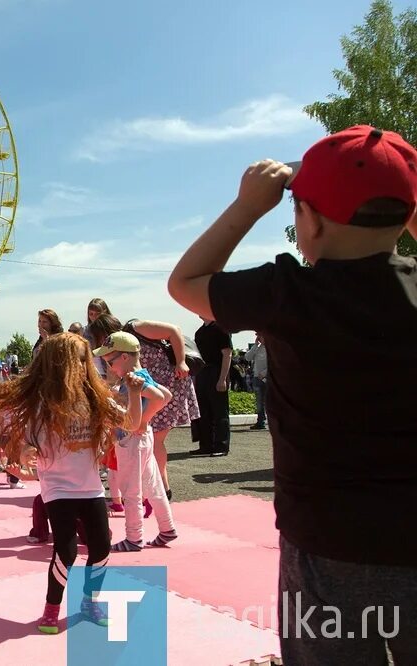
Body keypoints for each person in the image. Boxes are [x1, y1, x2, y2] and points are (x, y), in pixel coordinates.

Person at [168, 125, 417, 663]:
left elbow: (185, 281)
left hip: (326, 542)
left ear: (309, 220)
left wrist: (248, 206)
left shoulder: (286, 293)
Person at [0, 333, 144, 634]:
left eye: (86, 360)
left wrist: (134, 394)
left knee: (101, 547)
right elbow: (26, 440)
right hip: (57, 487)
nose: (86, 365)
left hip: (91, 486)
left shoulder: (95, 396)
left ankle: (89, 602)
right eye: (79, 360)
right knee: (66, 551)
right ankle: (51, 608)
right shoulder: (41, 401)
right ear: (60, 364)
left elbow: (131, 424)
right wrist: (27, 451)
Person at [94, 332, 177, 552]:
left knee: (131, 490)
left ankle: (133, 537)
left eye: (111, 362)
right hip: (140, 438)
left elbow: (161, 398)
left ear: (124, 358)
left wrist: (142, 420)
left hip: (132, 440)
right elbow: (166, 394)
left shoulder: (134, 379)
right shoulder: (139, 376)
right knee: (153, 486)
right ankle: (167, 528)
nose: (110, 367)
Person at [122, 317, 200, 500]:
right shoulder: (124, 344)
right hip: (153, 385)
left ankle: (161, 488)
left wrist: (181, 361)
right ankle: (160, 487)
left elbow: (174, 329)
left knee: (154, 437)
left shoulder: (135, 328)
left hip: (169, 381)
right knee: (151, 436)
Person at [192, 318, 232, 456]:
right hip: (202, 372)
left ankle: (221, 446)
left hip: (216, 370)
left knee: (219, 410)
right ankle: (206, 445)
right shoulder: (200, 332)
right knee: (203, 410)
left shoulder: (221, 328)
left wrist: (223, 378)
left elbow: (227, 354)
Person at [245, 333, 268, 430]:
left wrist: (264, 372)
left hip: (267, 379)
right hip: (257, 378)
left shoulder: (271, 348)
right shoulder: (258, 348)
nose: (259, 337)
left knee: (269, 401)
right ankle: (260, 422)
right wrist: (255, 345)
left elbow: (274, 363)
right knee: (259, 402)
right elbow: (247, 357)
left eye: (260, 335)